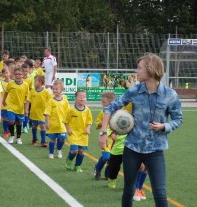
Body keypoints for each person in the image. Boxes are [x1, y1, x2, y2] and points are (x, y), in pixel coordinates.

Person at [99, 53, 183, 207]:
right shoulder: (135, 90)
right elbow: (110, 108)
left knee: (160, 193)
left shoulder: (170, 95)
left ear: (150, 69)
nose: (136, 71)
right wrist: (103, 132)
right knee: (129, 190)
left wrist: (165, 126)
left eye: (139, 68)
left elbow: (178, 119)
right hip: (132, 149)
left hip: (155, 151)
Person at [64, 90, 92, 172]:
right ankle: (69, 160)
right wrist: (68, 129)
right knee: (74, 151)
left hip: (83, 134)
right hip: (73, 133)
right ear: (75, 98)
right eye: (80, 96)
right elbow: (65, 121)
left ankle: (77, 166)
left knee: (81, 151)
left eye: (84, 97)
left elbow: (89, 121)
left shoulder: (87, 110)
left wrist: (88, 128)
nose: (82, 98)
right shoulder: (71, 110)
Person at [2, 67, 29, 144]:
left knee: (19, 123)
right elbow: (6, 92)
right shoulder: (11, 83)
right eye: (16, 74)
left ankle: (18, 137)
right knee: (11, 121)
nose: (18, 76)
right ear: (14, 75)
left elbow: (27, 97)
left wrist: (26, 108)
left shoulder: (25, 85)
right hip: (11, 106)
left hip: (20, 107)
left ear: (23, 75)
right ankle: (12, 136)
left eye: (20, 74)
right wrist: (4, 101)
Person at [44, 79, 69, 159]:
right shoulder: (51, 101)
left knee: (62, 139)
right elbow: (47, 113)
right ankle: (51, 153)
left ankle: (59, 149)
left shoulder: (65, 100)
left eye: (56, 89)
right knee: (52, 139)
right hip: (53, 124)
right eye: (53, 89)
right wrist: (47, 122)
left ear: (61, 89)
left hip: (62, 124)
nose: (54, 90)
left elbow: (68, 112)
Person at [93, 92, 116, 180]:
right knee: (106, 157)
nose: (102, 104)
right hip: (105, 139)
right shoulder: (102, 112)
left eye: (104, 102)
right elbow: (97, 124)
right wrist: (101, 123)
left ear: (111, 103)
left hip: (116, 141)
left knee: (113, 159)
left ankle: (107, 174)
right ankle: (97, 168)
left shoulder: (117, 113)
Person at [25, 75, 52, 147]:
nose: (34, 82)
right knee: (34, 126)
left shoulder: (46, 92)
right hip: (34, 113)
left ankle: (43, 141)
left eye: (36, 81)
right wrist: (26, 109)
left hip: (42, 113)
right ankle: (34, 139)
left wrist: (50, 110)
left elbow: (50, 101)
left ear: (40, 82)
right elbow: (28, 100)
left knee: (42, 126)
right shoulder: (32, 91)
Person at [0, 66, 12, 138]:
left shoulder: (13, 82)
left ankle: (10, 130)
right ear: (3, 74)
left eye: (7, 72)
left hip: (11, 104)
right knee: (5, 118)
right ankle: (5, 131)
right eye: (5, 73)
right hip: (3, 103)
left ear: (10, 73)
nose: (6, 74)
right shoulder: (1, 83)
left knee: (11, 119)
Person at [21, 63, 32, 133]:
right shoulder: (19, 78)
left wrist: (29, 97)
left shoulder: (29, 79)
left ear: (28, 71)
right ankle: (18, 125)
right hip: (19, 98)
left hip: (26, 99)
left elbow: (30, 89)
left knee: (26, 112)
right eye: (23, 71)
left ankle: (25, 126)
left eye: (26, 71)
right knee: (19, 112)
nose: (25, 73)